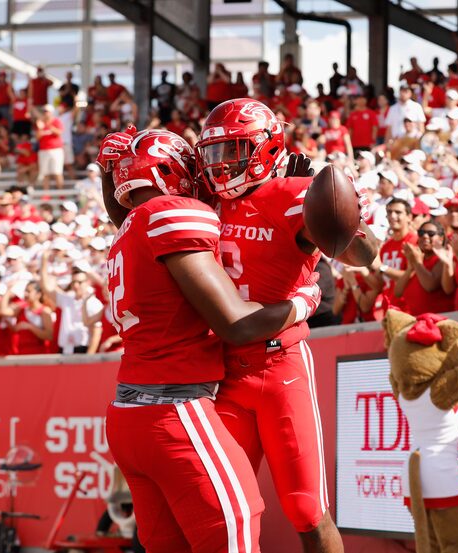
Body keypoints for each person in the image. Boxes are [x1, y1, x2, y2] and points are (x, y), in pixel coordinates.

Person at [97, 127, 323, 553]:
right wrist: (304, 302)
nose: (202, 178)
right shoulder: (173, 212)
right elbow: (236, 324)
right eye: (191, 167)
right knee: (235, 535)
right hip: (175, 411)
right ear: (170, 170)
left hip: (128, 413)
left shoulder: (129, 226)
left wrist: (108, 171)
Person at [194, 99, 378, 553]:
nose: (221, 165)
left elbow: (362, 254)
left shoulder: (294, 194)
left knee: (306, 510)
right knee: (223, 508)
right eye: (214, 153)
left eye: (234, 150)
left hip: (280, 366)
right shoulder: (201, 200)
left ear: (265, 146)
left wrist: (343, 209)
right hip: (223, 371)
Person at [394, 220, 454, 315]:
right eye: (421, 233)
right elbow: (397, 292)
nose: (425, 236)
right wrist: (410, 268)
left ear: (441, 238)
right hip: (416, 320)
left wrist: (417, 263)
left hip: (437, 320)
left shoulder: (443, 259)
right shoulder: (416, 257)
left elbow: (430, 286)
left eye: (431, 234)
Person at [36, 104, 65, 190]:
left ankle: (61, 193)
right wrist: (40, 128)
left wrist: (48, 125)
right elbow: (38, 137)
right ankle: (46, 193)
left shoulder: (56, 121)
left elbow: (59, 133)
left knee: (57, 172)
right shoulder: (40, 123)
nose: (45, 113)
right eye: (44, 111)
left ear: (51, 112)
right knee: (45, 173)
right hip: (44, 150)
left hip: (56, 150)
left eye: (46, 111)